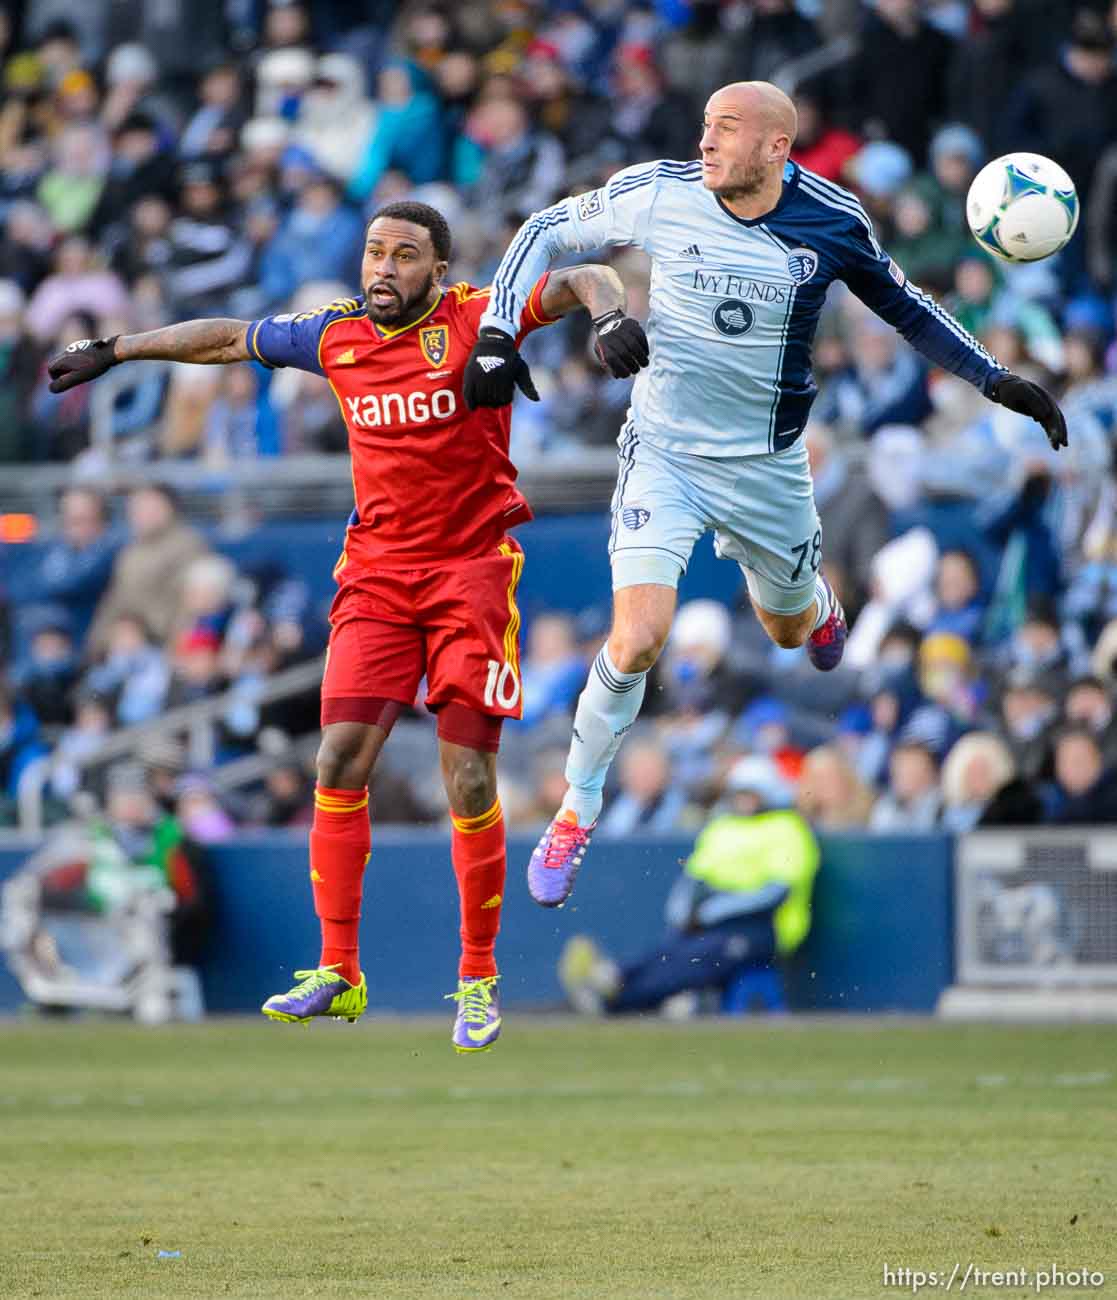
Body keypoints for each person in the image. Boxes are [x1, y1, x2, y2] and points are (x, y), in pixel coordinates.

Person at [462, 79, 1068, 907]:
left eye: (726, 129)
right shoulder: (663, 190)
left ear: (776, 147)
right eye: (704, 125)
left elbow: (908, 310)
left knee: (787, 630)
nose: (705, 142)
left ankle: (814, 603)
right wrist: (497, 332)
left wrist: (997, 381)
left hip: (768, 468)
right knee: (637, 637)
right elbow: (544, 229)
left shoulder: (832, 220)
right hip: (662, 456)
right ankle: (576, 806)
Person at [47, 201, 627, 1053]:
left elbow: (582, 276)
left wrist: (611, 313)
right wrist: (118, 349)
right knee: (337, 758)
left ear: (437, 267)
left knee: (467, 776)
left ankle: (475, 978)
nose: (383, 269)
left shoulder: (479, 315)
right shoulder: (335, 338)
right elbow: (228, 338)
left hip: (469, 574)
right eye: (374, 253)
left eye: (403, 256)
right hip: (377, 578)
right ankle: (340, 972)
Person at [558, 755, 818, 1015]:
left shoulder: (787, 828)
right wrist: (683, 913)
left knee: (703, 954)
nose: (744, 801)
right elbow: (694, 879)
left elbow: (776, 893)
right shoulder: (723, 827)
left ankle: (614, 996)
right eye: (740, 794)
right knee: (675, 948)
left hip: (763, 927)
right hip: (714, 920)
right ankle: (614, 978)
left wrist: (714, 911)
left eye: (751, 794)